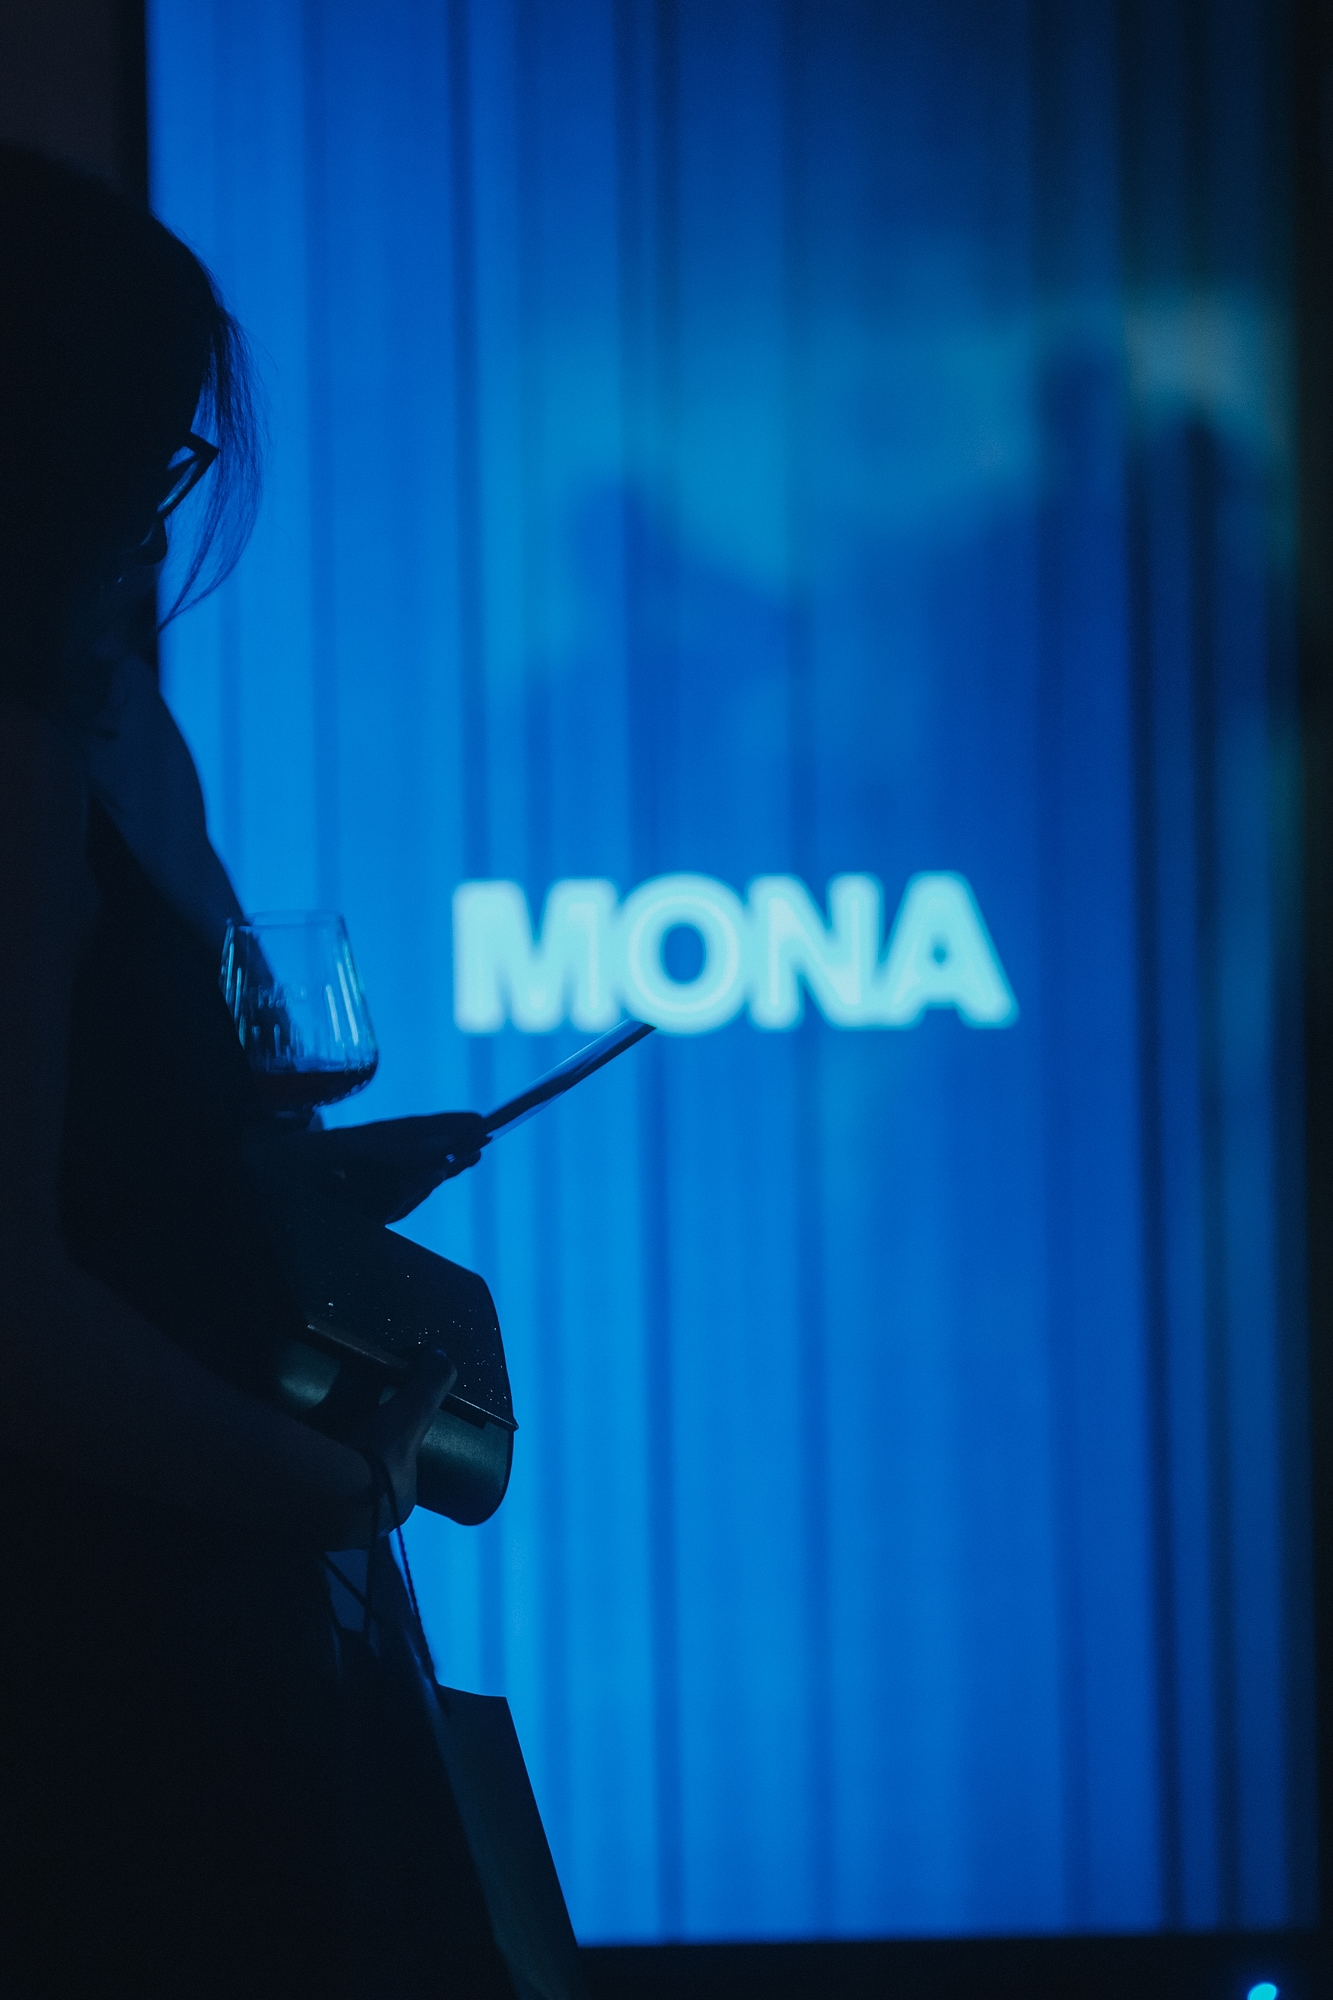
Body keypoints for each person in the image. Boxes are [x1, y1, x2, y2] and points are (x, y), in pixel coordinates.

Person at [0, 145, 518, 1996]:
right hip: (111, 1634)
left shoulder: (89, 730)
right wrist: (327, 1487)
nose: (167, 506)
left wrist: (261, 1185)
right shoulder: (25, 761)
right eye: (152, 449)